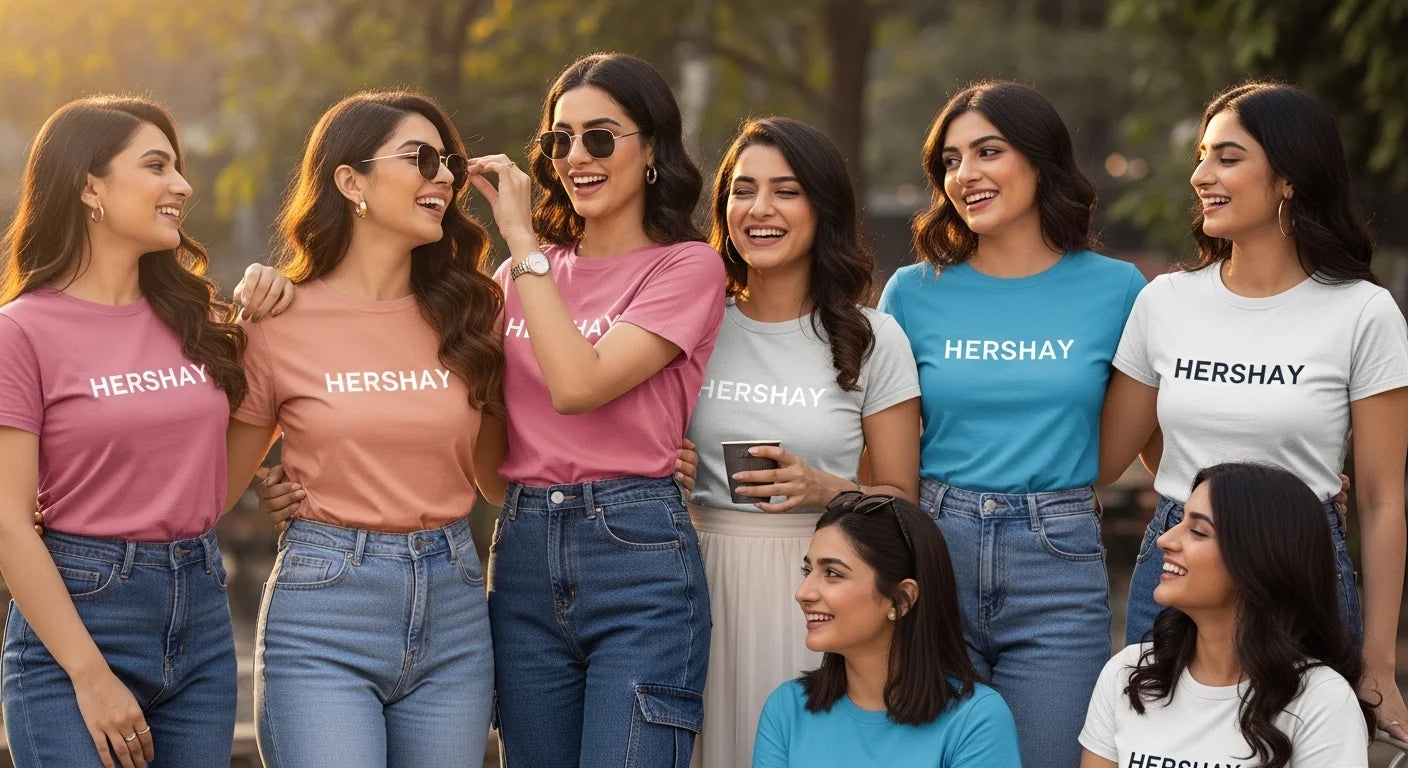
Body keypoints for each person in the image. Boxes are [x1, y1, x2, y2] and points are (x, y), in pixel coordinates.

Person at [1100, 81, 1408, 738]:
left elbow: (1384, 499)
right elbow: (1108, 456)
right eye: (1203, 156)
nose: (1201, 174)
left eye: (1227, 157)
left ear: (1290, 178)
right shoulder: (1165, 303)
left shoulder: (1362, 312)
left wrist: (1379, 664)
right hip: (1177, 557)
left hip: (1302, 567)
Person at [223, 90, 503, 768]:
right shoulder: (276, 318)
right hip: (325, 611)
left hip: (455, 609)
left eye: (450, 164)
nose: (442, 177)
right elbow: (213, 486)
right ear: (350, 180)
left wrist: (645, 458)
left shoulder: (474, 313)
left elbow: (498, 478)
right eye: (421, 158)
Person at [0, 96, 282, 768]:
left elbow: (230, 455)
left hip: (202, 616)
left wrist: (276, 296)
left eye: (178, 168)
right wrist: (90, 677)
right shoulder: (21, 331)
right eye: (156, 166)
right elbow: (9, 524)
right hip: (81, 623)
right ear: (89, 186)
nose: (181, 185)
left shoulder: (195, 321)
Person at [466, 52, 726, 766]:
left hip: (638, 562)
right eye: (560, 140)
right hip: (519, 556)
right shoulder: (517, 280)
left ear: (651, 151)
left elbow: (580, 386)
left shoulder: (686, 267)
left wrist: (522, 244)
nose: (576, 156)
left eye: (600, 137)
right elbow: (493, 473)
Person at [877, 79, 1145, 767]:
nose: (965, 174)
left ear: (1039, 159)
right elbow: (883, 454)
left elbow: (1120, 453)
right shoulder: (912, 291)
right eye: (951, 161)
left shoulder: (1117, 291)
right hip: (932, 552)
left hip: (1057, 563)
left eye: (987, 151)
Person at [687, 116, 920, 768]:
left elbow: (904, 501)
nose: (759, 209)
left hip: (820, 595)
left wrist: (828, 489)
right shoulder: (693, 326)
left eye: (785, 191)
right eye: (743, 190)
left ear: (824, 208)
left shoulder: (875, 339)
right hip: (693, 585)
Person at [1080, 462, 1374, 768]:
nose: (1165, 540)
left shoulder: (1320, 700)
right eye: (1178, 522)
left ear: (1259, 559)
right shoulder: (1129, 673)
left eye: (1197, 530)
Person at [753, 492, 1020, 767]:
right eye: (807, 571)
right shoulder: (787, 709)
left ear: (901, 599)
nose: (803, 593)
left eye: (833, 573)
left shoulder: (976, 719)